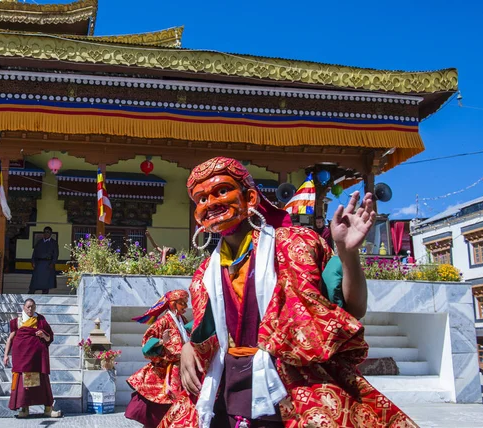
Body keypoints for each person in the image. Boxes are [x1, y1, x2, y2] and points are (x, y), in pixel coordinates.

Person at [158, 157, 415, 428]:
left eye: (221, 191)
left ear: (251, 197)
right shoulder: (203, 275)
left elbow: (351, 309)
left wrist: (348, 253)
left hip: (289, 386)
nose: (210, 204)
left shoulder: (297, 246)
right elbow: (206, 330)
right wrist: (188, 346)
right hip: (227, 387)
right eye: (200, 199)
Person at [125, 290, 190, 428]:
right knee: (162, 410)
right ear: (173, 304)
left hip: (182, 368)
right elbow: (146, 344)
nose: (185, 306)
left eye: (186, 303)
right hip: (166, 371)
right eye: (182, 303)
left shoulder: (182, 320)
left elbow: (189, 331)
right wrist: (161, 341)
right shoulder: (163, 322)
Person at [3, 298, 61, 418]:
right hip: (22, 357)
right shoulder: (17, 321)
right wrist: (5, 355)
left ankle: (48, 409)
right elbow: (10, 339)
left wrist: (43, 334)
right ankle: (24, 410)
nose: (30, 309)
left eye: (33, 307)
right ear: (23, 307)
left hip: (38, 359)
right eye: (28, 307)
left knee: (43, 383)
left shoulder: (40, 320)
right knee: (23, 384)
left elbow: (49, 338)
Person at [29, 227, 59, 294]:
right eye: (45, 232)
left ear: (50, 233)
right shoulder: (39, 242)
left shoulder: (54, 243)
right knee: (34, 285)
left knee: (46, 285)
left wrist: (52, 263)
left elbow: (56, 255)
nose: (46, 233)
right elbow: (34, 253)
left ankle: (44, 298)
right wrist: (33, 262)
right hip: (39, 265)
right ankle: (29, 299)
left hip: (48, 265)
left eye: (48, 232)